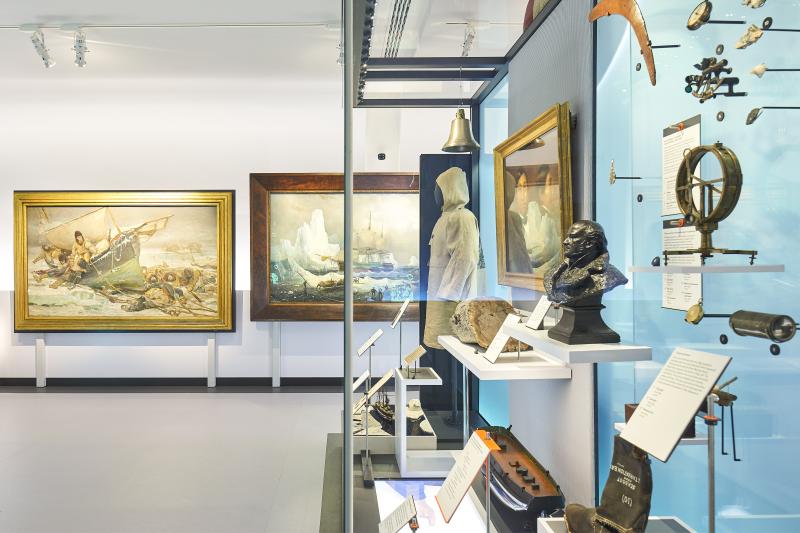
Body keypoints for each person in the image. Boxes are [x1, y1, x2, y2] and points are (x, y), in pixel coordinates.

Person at [544, 220, 628, 305]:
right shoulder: (559, 270)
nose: (565, 241)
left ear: (590, 243)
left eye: (572, 237)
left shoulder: (609, 275)